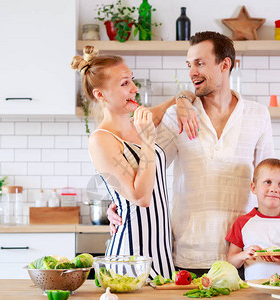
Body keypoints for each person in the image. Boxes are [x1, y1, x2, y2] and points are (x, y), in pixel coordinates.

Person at [108, 31, 275, 277]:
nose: (192, 72)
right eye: (189, 65)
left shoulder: (258, 115)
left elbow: (268, 183)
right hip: (189, 255)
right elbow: (143, 163)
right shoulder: (177, 116)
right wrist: (118, 199)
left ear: (225, 64)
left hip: (243, 256)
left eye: (200, 63)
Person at [71, 46, 193, 279]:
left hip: (161, 257)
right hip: (131, 259)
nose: (135, 89)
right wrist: (148, 141)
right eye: (125, 83)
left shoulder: (140, 120)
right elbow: (141, 197)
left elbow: (186, 95)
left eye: (132, 81)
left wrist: (183, 99)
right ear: (100, 95)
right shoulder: (101, 140)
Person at [225, 158, 280, 280]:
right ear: (254, 188)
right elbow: (231, 261)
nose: (274, 189)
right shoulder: (242, 223)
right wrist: (244, 255)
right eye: (268, 182)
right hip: (253, 290)